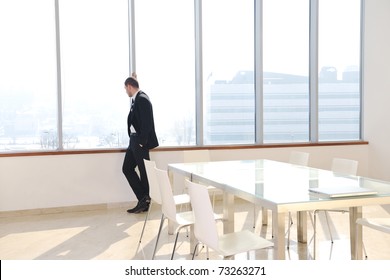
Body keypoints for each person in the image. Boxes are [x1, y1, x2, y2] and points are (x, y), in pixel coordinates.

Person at [122, 73, 159, 213]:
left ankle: (145, 201)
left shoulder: (142, 99)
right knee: (127, 168)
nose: (125, 91)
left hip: (139, 141)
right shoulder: (136, 98)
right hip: (133, 140)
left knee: (144, 173)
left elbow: (147, 123)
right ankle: (143, 198)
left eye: (126, 88)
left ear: (130, 87)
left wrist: (142, 142)